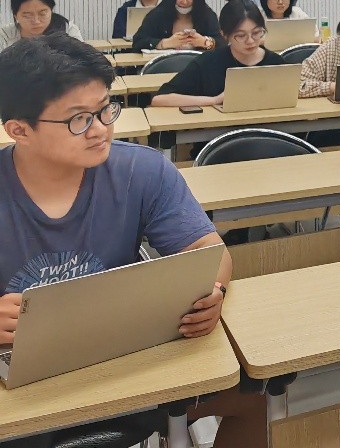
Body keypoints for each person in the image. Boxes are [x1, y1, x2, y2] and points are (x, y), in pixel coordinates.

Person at [0, 35, 262, 447]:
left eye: (105, 109)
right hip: (20, 377)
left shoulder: (141, 170)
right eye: (78, 120)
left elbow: (208, 251)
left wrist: (213, 290)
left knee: (251, 394)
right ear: (20, 130)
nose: (100, 130)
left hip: (123, 356)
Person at [150, 0, 285, 108]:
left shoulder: (277, 63)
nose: (250, 41)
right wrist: (214, 100)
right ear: (224, 34)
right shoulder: (209, 63)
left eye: (256, 33)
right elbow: (159, 99)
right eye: (241, 35)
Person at [131, 0, 220, 52]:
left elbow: (222, 42)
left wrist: (206, 42)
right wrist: (164, 43)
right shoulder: (158, 15)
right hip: (165, 64)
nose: (185, 2)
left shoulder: (207, 15)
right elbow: (138, 42)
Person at [0, 0, 82, 50]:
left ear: (51, 10)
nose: (36, 21)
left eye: (42, 14)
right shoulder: (4, 36)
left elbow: (84, 62)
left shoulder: (68, 30)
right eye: (27, 16)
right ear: (15, 15)